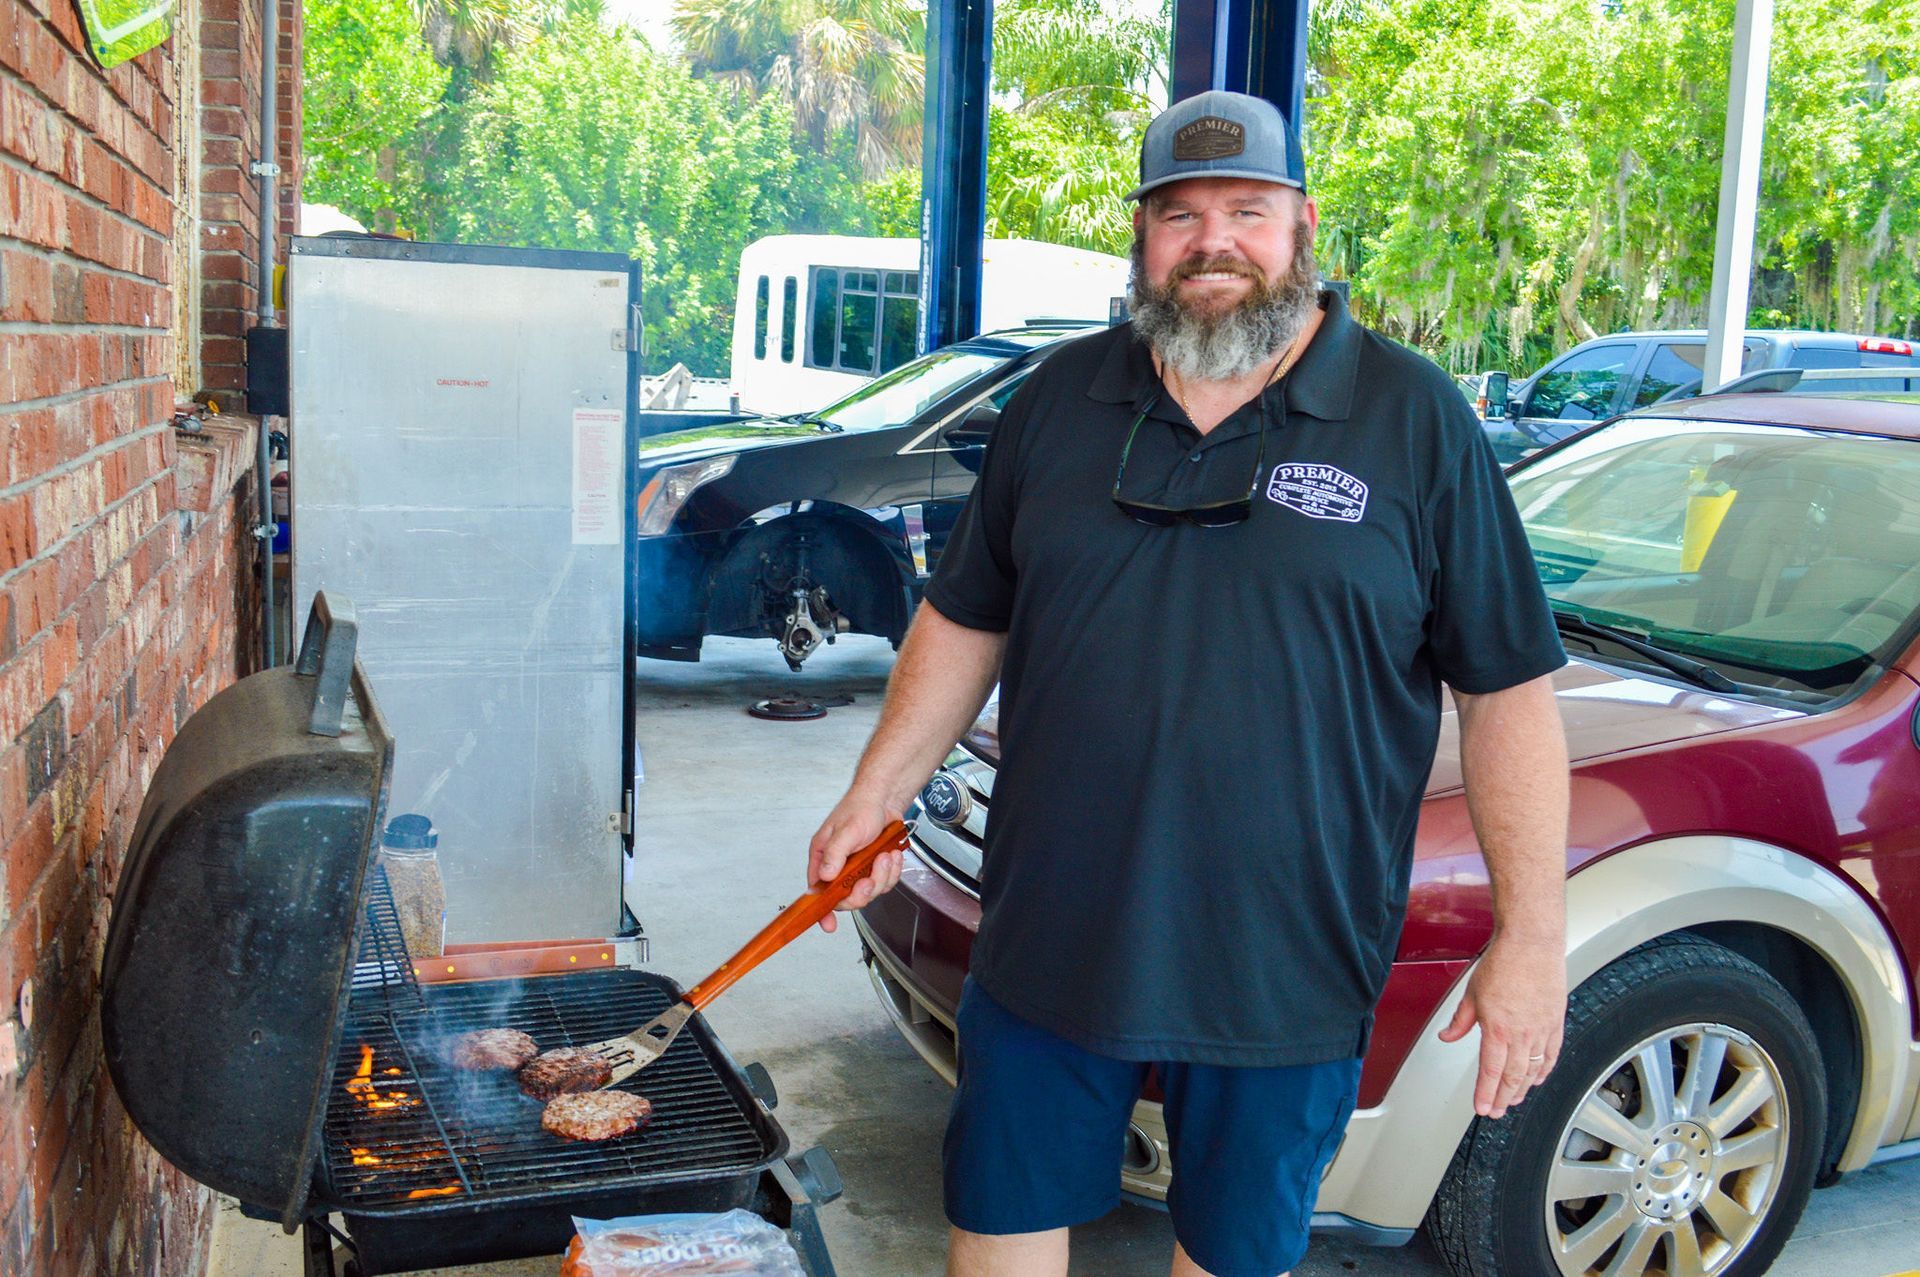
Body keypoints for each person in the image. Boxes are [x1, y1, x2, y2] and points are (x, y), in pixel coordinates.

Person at [806, 90, 1571, 1277]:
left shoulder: (1414, 419)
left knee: (1231, 1253)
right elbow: (965, 617)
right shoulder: (1059, 400)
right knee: (998, 1224)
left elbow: (1508, 694)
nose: (1214, 240)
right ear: (1143, 235)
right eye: (1181, 214)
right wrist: (875, 790)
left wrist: (1533, 934)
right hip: (1052, 930)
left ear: (1302, 224)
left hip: (1285, 958)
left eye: (1247, 210)